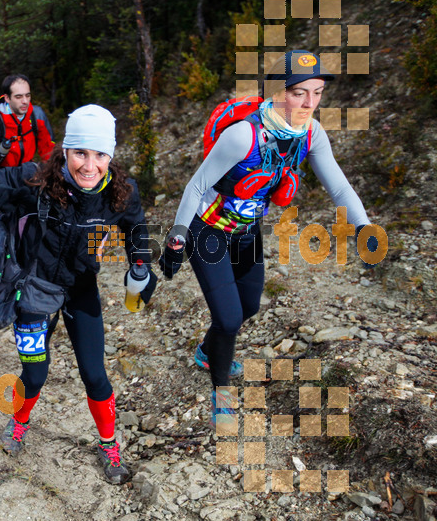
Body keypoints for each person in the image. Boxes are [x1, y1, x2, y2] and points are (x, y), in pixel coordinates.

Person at [158, 50, 381, 428]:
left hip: (246, 232)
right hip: (207, 229)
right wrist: (177, 236)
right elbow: (197, 185)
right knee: (228, 319)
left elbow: (340, 188)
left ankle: (207, 351)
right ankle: (221, 393)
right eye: (299, 92)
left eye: (318, 92)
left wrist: (364, 226)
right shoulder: (243, 133)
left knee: (248, 307)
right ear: (278, 91)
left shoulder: (311, 133)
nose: (310, 103)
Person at [0, 105, 157, 485]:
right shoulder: (35, 178)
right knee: (35, 372)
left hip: (81, 288)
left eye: (99, 155)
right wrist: (7, 196)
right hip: (33, 288)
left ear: (111, 156)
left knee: (95, 375)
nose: (89, 165)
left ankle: (109, 445)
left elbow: (136, 229)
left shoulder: (121, 192)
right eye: (80, 152)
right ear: (65, 151)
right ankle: (18, 423)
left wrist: (140, 265)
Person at [0, 75, 55, 219]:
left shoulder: (37, 115)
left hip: (29, 176)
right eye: (18, 97)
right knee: (1, 226)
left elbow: (48, 150)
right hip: (2, 178)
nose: (25, 101)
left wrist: (54, 178)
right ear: (7, 98)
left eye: (27, 96)